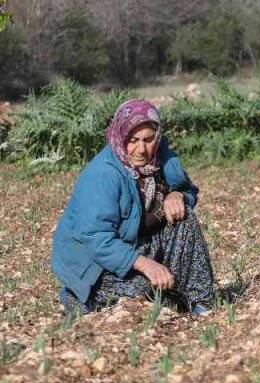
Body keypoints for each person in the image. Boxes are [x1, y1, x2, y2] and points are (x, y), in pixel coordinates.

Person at [51, 99, 215, 316]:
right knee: (142, 292)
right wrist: (145, 264)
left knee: (184, 216)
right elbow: (96, 237)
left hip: (136, 243)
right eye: (133, 140)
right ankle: (79, 297)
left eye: (148, 139)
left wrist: (178, 195)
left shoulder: (161, 158)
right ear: (120, 136)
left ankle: (199, 302)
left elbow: (189, 190)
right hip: (94, 265)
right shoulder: (103, 174)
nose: (141, 149)